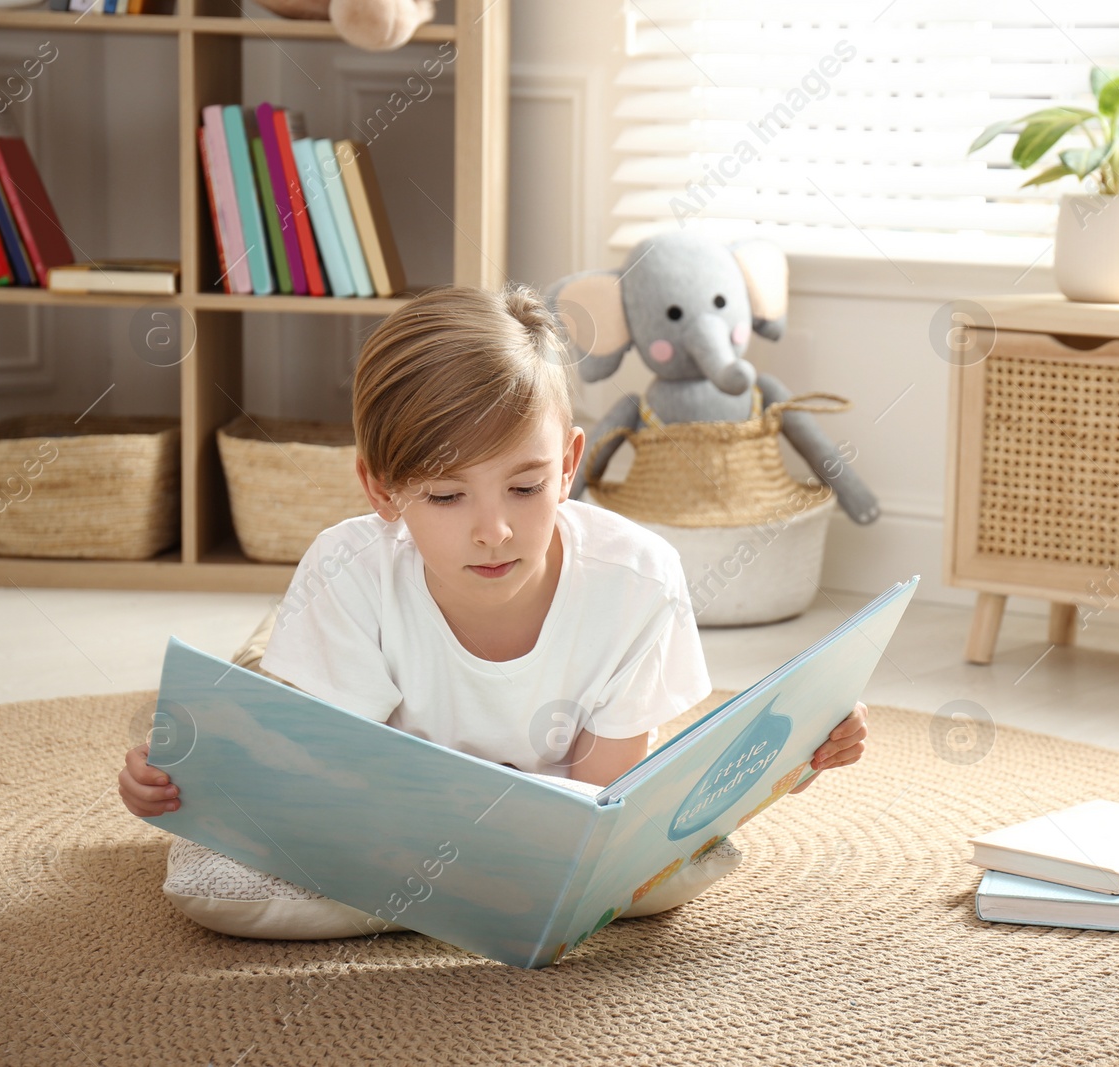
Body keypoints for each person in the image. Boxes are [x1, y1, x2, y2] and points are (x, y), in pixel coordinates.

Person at [116, 283, 869, 930]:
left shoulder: (640, 581)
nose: (495, 530)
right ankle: (268, 659)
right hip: (369, 766)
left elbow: (602, 806)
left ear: (570, 465)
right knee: (214, 881)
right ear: (382, 490)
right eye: (446, 495)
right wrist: (187, 780)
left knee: (660, 878)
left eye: (525, 485)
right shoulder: (350, 568)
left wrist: (786, 754)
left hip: (465, 830)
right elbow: (326, 792)